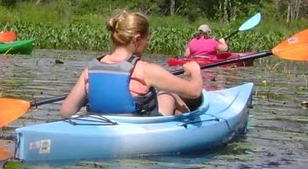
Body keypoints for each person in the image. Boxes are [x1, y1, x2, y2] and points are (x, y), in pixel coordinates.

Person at [60, 9, 204, 119]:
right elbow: (194, 92)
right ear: (137, 40)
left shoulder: (90, 70)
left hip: (101, 127)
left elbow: (66, 111)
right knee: (168, 94)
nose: (147, 44)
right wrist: (195, 70)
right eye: (147, 39)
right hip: (140, 132)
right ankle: (192, 126)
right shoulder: (145, 70)